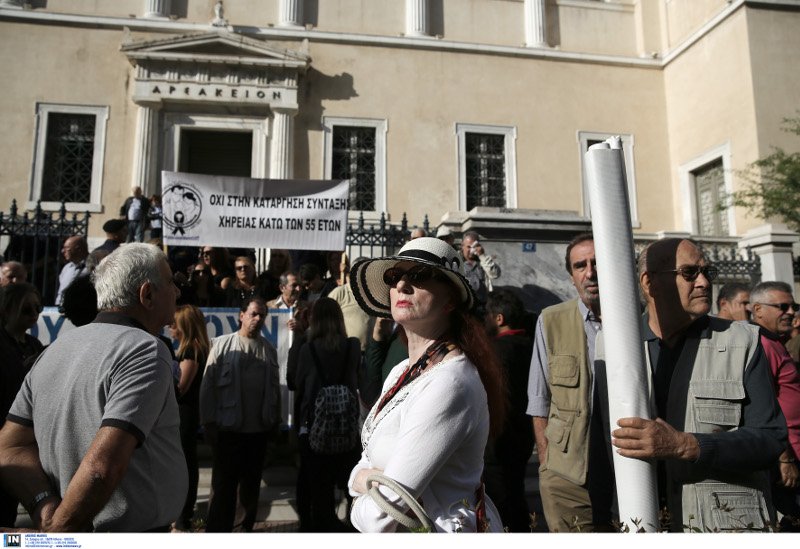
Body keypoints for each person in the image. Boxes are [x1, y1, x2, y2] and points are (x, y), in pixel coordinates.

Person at [0, 243, 186, 532]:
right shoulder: (145, 350)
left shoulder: (54, 349)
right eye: (171, 282)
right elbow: (102, 467)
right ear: (147, 294)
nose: (177, 292)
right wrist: (58, 530)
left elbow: (9, 446)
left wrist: (45, 507)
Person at [610, 238, 787, 532]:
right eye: (690, 273)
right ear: (648, 282)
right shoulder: (613, 346)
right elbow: (598, 454)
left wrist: (687, 446)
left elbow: (770, 439)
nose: (704, 282)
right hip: (638, 523)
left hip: (723, 525)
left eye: (708, 272)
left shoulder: (744, 341)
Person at [346, 237, 506, 532]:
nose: (402, 286)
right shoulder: (399, 372)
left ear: (450, 300)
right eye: (394, 276)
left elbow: (379, 517)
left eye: (418, 276)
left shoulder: (451, 382)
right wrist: (367, 479)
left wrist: (357, 496)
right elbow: (364, 458)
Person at [527, 232, 613, 532]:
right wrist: (547, 461)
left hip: (627, 469)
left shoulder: (637, 320)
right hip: (567, 473)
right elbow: (539, 398)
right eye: (580, 266)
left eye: (597, 262)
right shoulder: (551, 320)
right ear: (571, 276)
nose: (591, 273)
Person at [199, 297, 281, 532]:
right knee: (223, 488)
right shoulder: (222, 345)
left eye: (262, 315)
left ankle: (242, 532)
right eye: (254, 314)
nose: (258, 319)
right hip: (228, 430)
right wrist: (208, 422)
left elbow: (275, 390)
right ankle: (216, 532)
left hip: (258, 432)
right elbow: (208, 387)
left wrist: (275, 420)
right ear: (241, 315)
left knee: (249, 490)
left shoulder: (269, 350)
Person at [294, 297, 361, 532]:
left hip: (316, 428)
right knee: (350, 484)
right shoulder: (352, 346)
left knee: (318, 489)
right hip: (346, 427)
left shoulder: (307, 349)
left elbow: (297, 384)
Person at [749, 281, 800, 529]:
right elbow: (766, 404)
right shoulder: (764, 345)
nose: (791, 312)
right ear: (758, 310)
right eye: (783, 306)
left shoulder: (776, 341)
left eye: (793, 306)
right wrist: (784, 458)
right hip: (787, 457)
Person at [483, 289, 535, 532]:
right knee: (516, 496)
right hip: (523, 437)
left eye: (487, 316)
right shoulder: (531, 346)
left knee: (501, 507)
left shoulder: (494, 352)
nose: (484, 321)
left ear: (499, 319)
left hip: (497, 443)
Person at [0, 283, 44, 526]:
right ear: (7, 310)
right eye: (26, 309)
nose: (34, 314)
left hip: (25, 434)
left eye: (37, 308)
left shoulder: (34, 345)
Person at [169, 304, 210, 532]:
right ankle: (183, 516)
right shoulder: (195, 349)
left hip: (185, 415)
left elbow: (180, 388)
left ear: (183, 327)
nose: (170, 327)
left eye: (174, 324)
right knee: (187, 463)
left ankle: (183, 517)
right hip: (187, 414)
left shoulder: (191, 352)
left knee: (185, 464)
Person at [460, 230, 500, 313]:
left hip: (482, 308)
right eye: (469, 247)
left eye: (474, 246)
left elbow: (495, 274)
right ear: (462, 246)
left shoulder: (484, 261)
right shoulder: (456, 262)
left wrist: (482, 255)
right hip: (464, 308)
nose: (471, 250)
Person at [55, 236, 89, 306]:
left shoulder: (93, 267)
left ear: (78, 249)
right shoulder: (67, 268)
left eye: (66, 248)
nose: (62, 251)